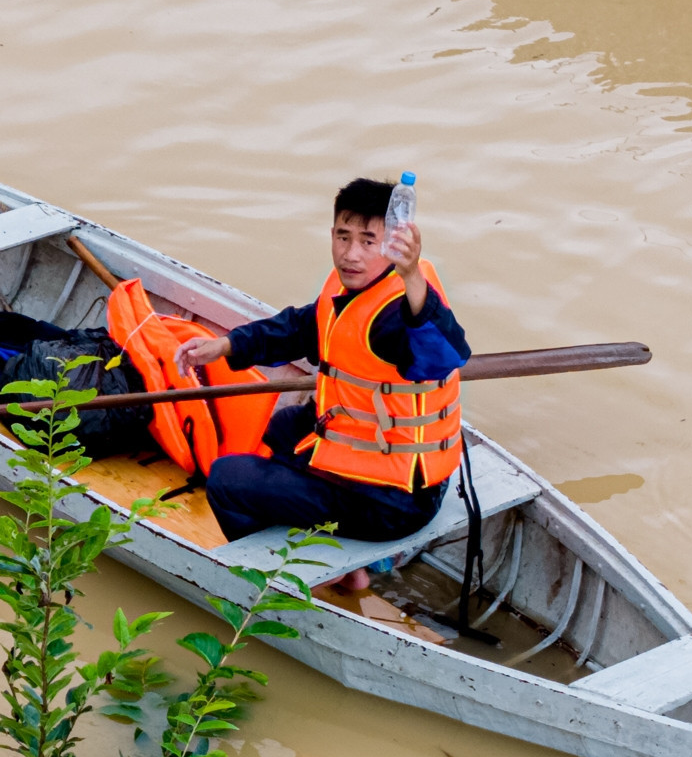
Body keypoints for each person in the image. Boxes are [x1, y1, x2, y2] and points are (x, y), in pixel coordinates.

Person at [175, 178, 472, 590]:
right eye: (343, 236)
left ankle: (289, 585)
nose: (351, 254)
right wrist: (225, 345)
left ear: (396, 246)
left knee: (227, 480)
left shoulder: (402, 310)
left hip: (395, 501)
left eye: (369, 241)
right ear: (331, 234)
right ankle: (351, 568)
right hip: (389, 472)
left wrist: (414, 280)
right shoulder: (349, 289)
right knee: (284, 429)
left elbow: (444, 356)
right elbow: (296, 329)